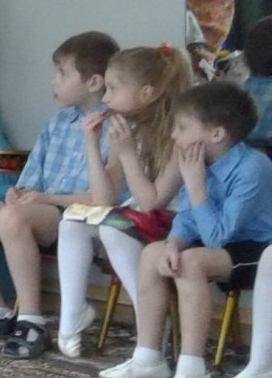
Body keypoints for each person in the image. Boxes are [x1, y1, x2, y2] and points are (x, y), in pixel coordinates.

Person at [0, 31, 117, 357]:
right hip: (38, 210)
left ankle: (32, 319)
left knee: (13, 218)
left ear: (93, 82)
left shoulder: (114, 127)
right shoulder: (58, 123)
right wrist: (17, 192)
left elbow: (104, 198)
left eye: (63, 73)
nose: (54, 81)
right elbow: (32, 178)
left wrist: (44, 200)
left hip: (78, 218)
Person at [99, 81, 272, 378]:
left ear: (216, 134)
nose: (173, 135)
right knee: (152, 253)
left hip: (258, 251)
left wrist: (195, 184)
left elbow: (217, 236)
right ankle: (148, 356)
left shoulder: (253, 167)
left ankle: (192, 368)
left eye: (182, 127)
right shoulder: (197, 162)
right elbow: (189, 219)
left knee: (191, 263)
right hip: (219, 242)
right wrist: (174, 243)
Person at [52, 45, 194, 357]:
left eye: (113, 89)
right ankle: (72, 313)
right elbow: (103, 198)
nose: (105, 98)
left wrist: (128, 153)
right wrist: (92, 143)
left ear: (146, 93)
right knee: (72, 222)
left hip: (177, 224)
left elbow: (153, 202)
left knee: (113, 227)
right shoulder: (128, 129)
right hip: (139, 219)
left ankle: (151, 319)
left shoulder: (179, 136)